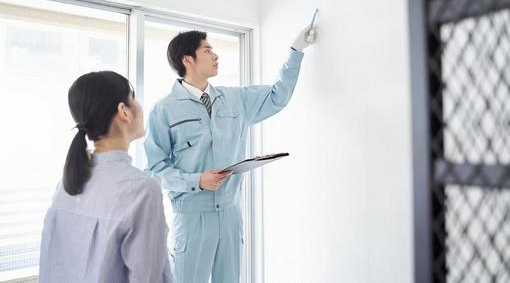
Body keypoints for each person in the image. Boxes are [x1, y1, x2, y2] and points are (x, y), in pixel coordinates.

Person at [144, 25, 316, 283]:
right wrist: (198, 181)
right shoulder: (164, 110)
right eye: (208, 50)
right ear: (187, 60)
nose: (215, 55)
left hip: (230, 214)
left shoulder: (235, 99)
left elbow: (278, 96)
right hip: (191, 218)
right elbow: (155, 170)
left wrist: (296, 50)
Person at [39, 71, 172, 283]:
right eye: (133, 98)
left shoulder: (66, 184)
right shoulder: (142, 189)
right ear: (123, 112)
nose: (139, 106)